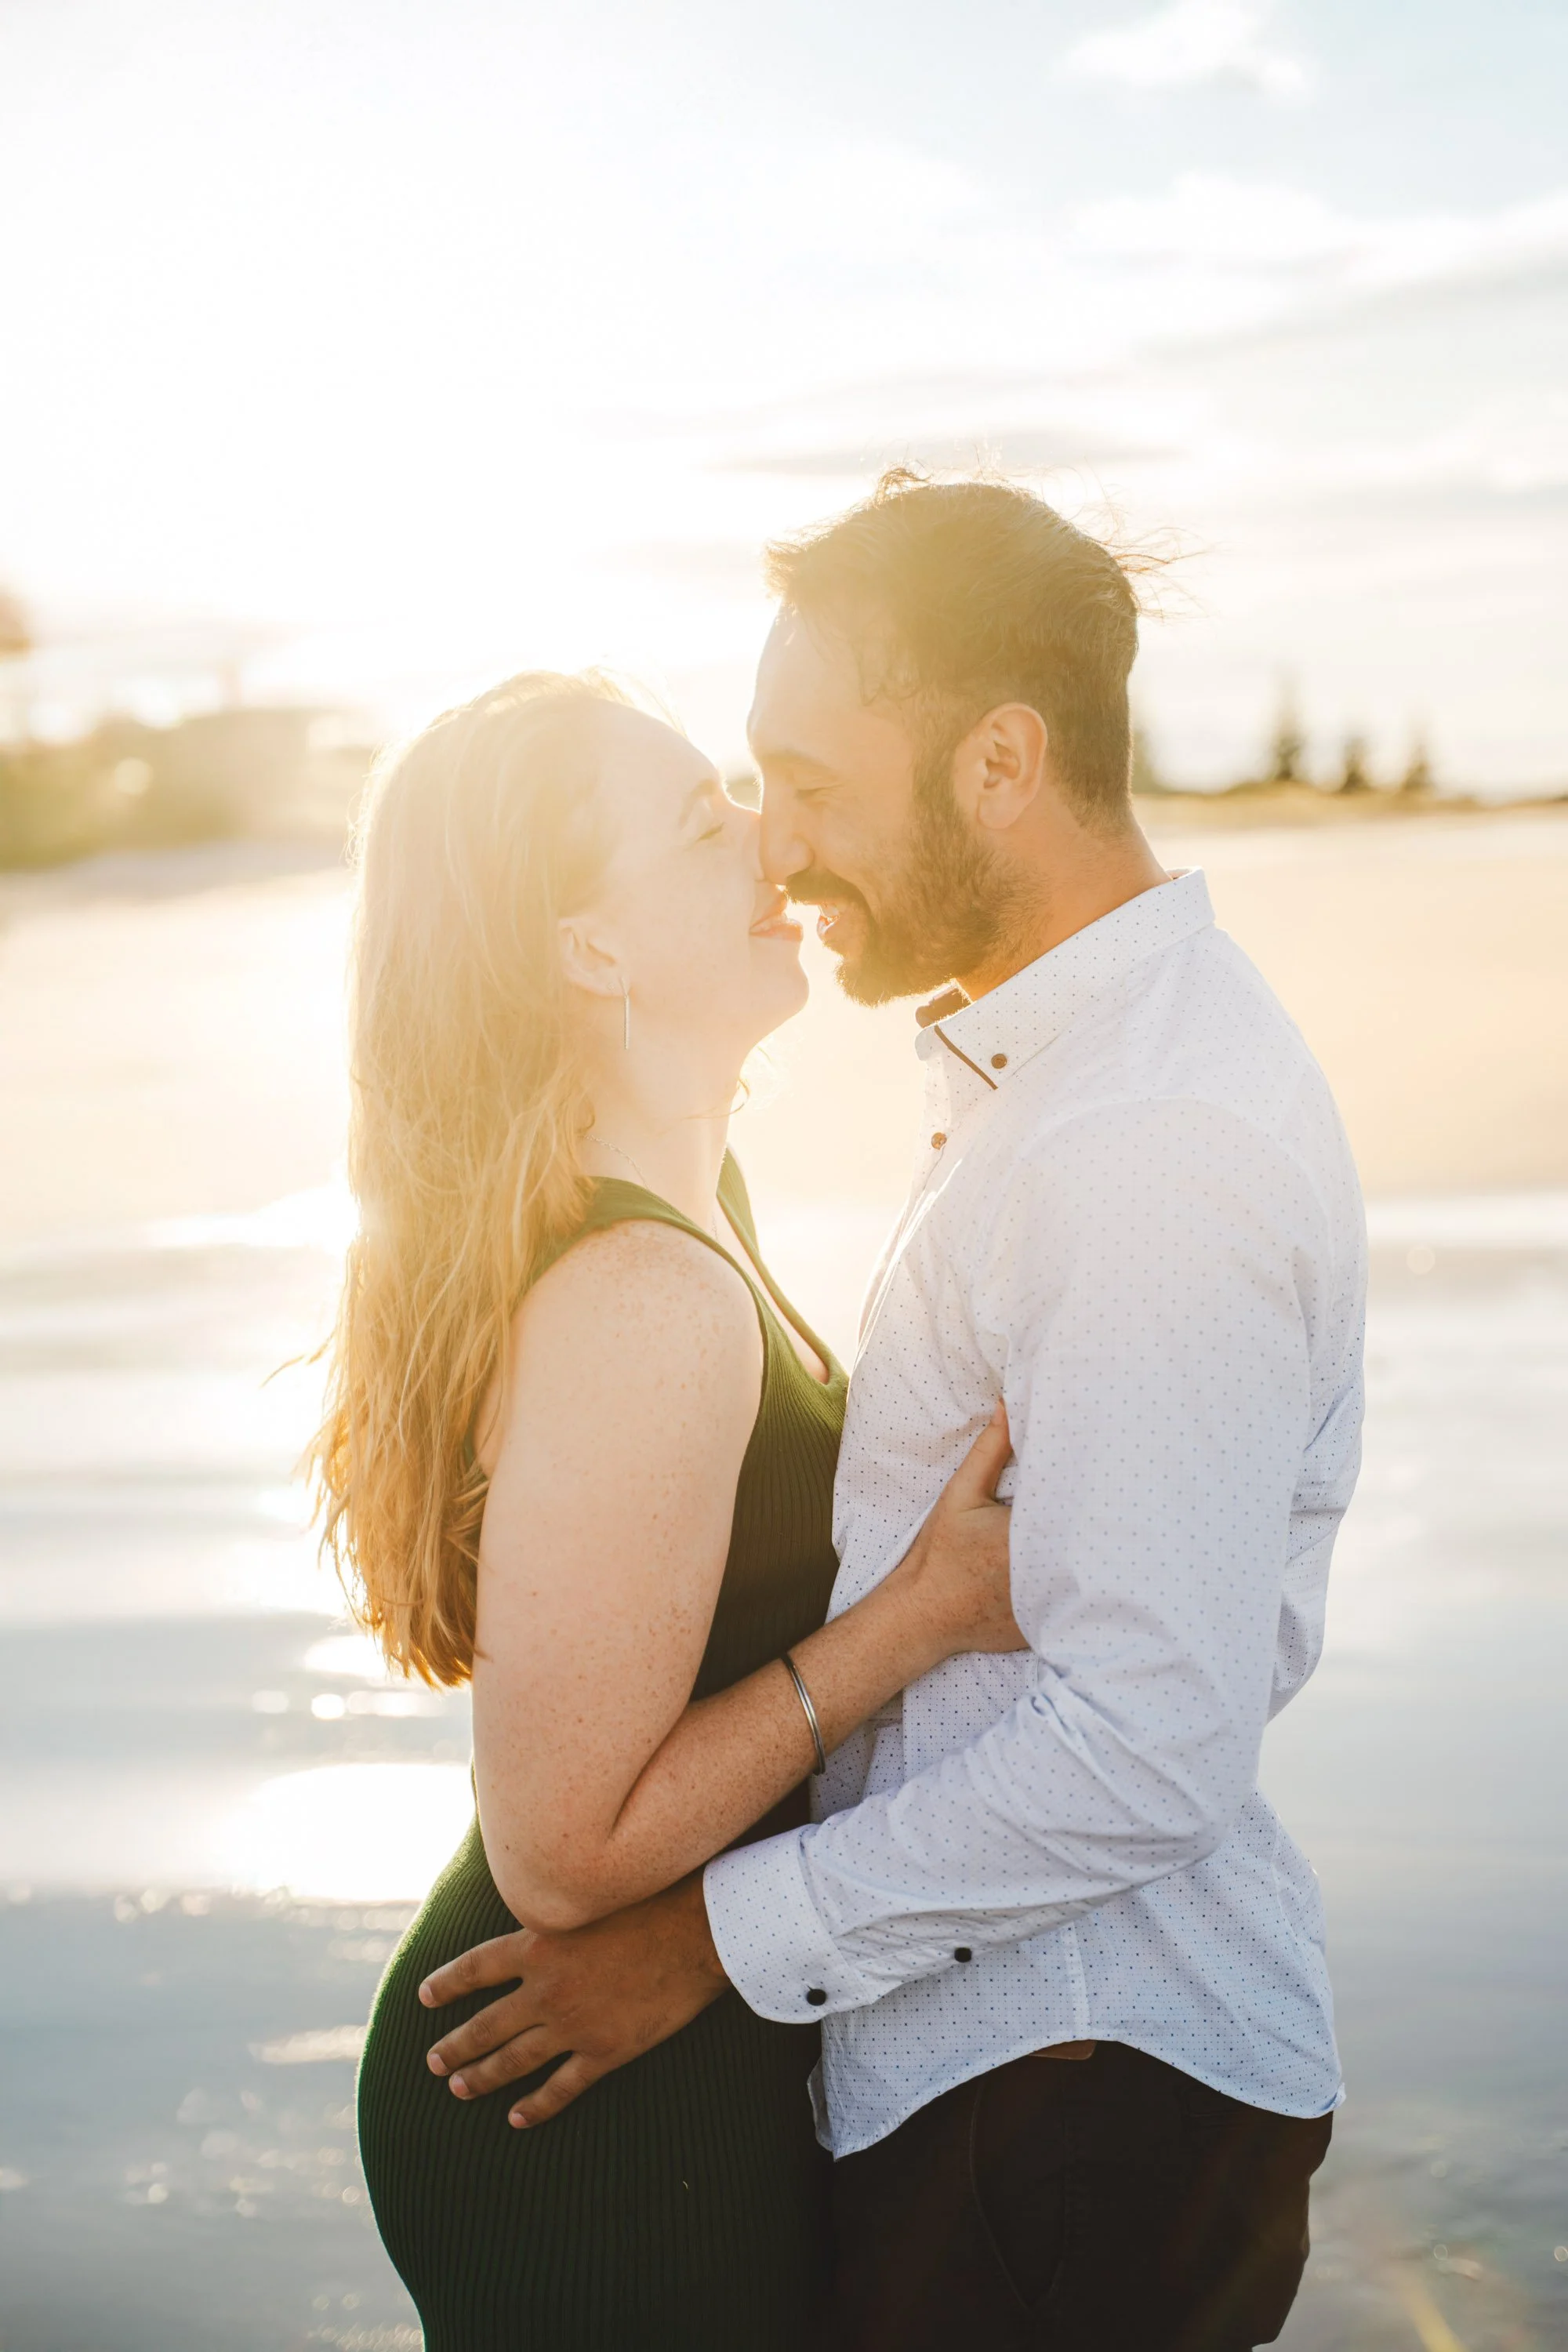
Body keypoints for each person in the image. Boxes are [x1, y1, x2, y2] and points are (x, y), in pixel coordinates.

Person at [420, 474, 1367, 2352]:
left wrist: (701, 1944)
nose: (777, 844)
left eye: (809, 781)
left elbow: (1145, 1746)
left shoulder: (1138, 1150)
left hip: (1069, 2094)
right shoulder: (1060, 1085)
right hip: (1012, 2076)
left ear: (1000, 763)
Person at [310, 667, 1023, 2352]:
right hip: (586, 2098)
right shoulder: (644, 1292)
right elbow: (562, 1853)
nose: (767, 838)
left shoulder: (689, 1215)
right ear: (590, 950)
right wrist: (914, 1618)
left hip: (638, 2042)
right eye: (704, 825)